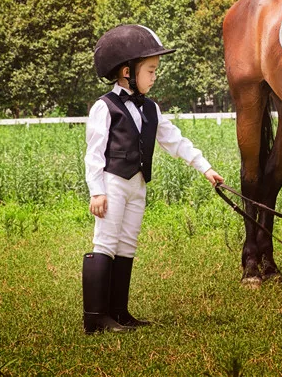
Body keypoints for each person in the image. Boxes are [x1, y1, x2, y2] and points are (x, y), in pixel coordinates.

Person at [82, 24, 224, 334]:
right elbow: (94, 153)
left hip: (138, 185)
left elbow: (175, 140)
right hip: (113, 182)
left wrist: (205, 167)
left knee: (127, 245)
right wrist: (97, 191)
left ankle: (119, 312)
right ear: (126, 71)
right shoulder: (104, 107)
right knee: (106, 242)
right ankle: (95, 317)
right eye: (150, 70)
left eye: (155, 70)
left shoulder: (151, 108)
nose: (154, 76)